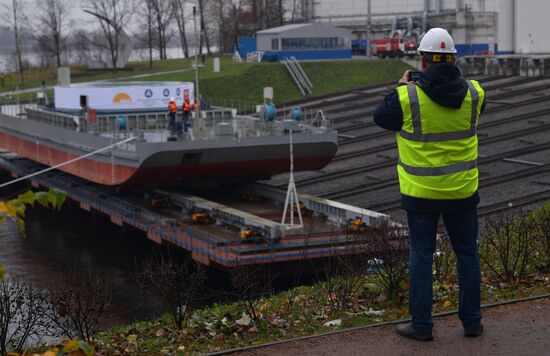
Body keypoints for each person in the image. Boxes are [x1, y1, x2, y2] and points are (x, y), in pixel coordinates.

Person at [373, 28, 486, 341]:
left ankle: (421, 326)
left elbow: (380, 117)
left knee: (421, 256)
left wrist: (401, 85)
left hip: (421, 194)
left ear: (422, 61)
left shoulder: (406, 97)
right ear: (453, 59)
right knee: (467, 254)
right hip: (462, 191)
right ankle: (472, 322)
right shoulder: (475, 93)